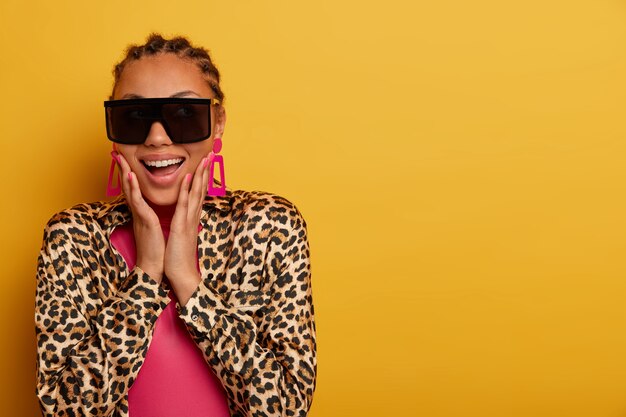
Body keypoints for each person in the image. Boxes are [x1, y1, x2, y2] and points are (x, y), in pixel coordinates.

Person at [34, 33, 317, 417]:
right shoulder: (74, 238)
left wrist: (187, 281)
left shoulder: (269, 228)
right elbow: (65, 410)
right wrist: (146, 275)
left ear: (217, 122)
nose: (156, 137)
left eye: (183, 115)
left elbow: (284, 409)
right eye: (134, 117)